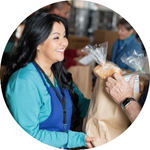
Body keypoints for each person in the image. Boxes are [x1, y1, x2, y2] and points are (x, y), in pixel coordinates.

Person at [2, 13, 98, 149]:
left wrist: (106, 96)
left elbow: (81, 104)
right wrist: (77, 139)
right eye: (56, 37)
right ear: (37, 43)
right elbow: (29, 135)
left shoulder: (59, 73)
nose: (64, 42)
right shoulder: (24, 82)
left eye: (64, 36)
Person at [48, 1, 87, 69]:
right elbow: (52, 53)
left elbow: (58, 50)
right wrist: (74, 63)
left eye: (64, 36)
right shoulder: (48, 26)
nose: (67, 16)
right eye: (65, 13)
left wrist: (76, 52)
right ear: (56, 11)